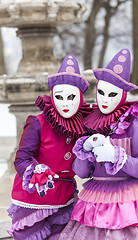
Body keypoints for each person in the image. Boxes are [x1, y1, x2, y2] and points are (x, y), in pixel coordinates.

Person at [59, 49, 138, 240]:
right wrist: (85, 149)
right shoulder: (91, 123)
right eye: (101, 92)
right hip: (94, 202)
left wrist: (117, 156)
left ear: (122, 94)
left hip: (128, 203)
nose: (105, 99)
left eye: (111, 94)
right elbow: (81, 173)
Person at [7, 55, 91, 240]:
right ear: (52, 96)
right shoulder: (37, 123)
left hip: (64, 199)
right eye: (60, 97)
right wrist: (35, 170)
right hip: (34, 198)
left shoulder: (83, 127)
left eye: (71, 97)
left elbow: (83, 167)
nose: (66, 103)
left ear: (80, 98)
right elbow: (21, 159)